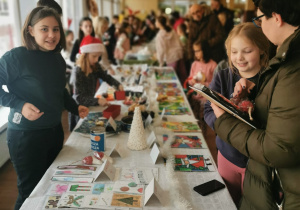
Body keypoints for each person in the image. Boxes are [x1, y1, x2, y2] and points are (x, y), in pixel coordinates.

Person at [210, 0, 300, 209]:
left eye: (260, 19)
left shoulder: (291, 67)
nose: (260, 26)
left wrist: (224, 120)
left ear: (276, 18)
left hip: (283, 188)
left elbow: (278, 148)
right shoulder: (285, 60)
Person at [0, 7, 89, 210]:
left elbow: (60, 91)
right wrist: (19, 105)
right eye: (44, 29)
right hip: (26, 137)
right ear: (30, 30)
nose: (52, 35)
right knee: (30, 192)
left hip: (54, 132)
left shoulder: (56, 58)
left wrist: (75, 108)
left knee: (52, 187)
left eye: (56, 29)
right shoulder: (15, 57)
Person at [204, 22, 269, 206]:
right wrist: (221, 123)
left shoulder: (270, 80)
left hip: (256, 163)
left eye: (247, 51)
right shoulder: (223, 76)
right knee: (226, 202)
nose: (239, 57)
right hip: (226, 155)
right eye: (234, 52)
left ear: (262, 50)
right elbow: (208, 109)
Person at [70, 35, 123, 130]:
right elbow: (79, 98)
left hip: (90, 106)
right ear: (85, 55)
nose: (96, 59)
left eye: (98, 56)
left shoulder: (95, 65)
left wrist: (118, 84)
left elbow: (106, 77)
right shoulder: (77, 72)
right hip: (79, 109)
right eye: (94, 56)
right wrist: (97, 100)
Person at [155, 15, 187, 84]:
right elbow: (179, 41)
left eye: (156, 21)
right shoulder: (171, 30)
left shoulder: (160, 35)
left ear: (159, 23)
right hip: (179, 54)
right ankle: (186, 90)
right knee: (182, 76)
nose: (155, 23)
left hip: (171, 58)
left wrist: (160, 62)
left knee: (171, 78)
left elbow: (161, 50)